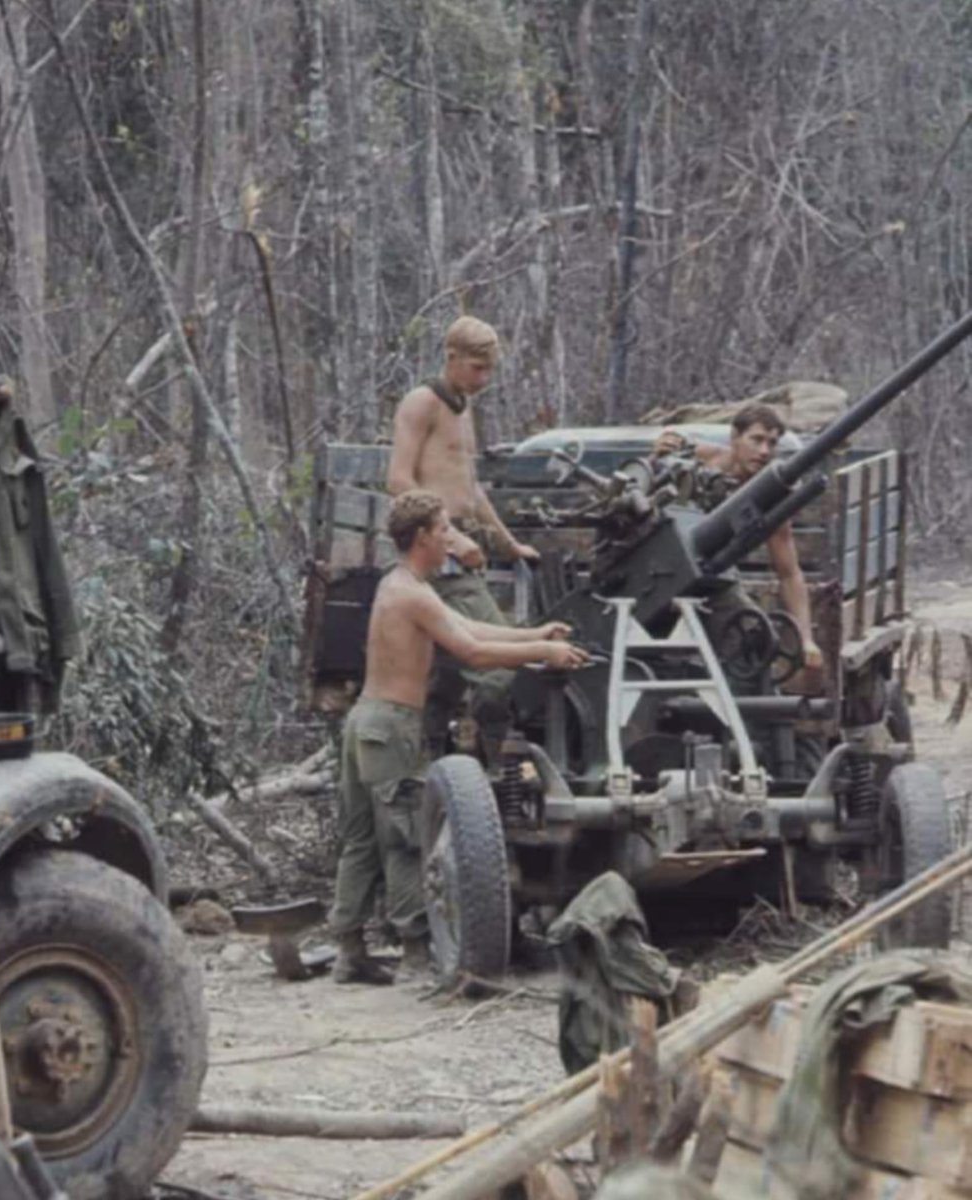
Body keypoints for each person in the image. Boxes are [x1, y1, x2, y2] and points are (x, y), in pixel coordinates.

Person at [331, 490, 590, 985]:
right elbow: (470, 652)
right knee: (404, 836)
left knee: (360, 838)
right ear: (424, 536)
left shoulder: (404, 584)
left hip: (366, 720)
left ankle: (349, 948)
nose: (451, 538)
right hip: (391, 725)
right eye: (444, 528)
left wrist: (536, 636)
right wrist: (543, 653)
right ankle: (413, 951)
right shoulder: (410, 592)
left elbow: (467, 625)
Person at [386, 316, 535, 764]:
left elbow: (471, 491)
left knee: (444, 676)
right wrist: (450, 539)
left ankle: (427, 767)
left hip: (462, 547)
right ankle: (497, 768)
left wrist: (509, 545)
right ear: (451, 357)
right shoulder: (422, 402)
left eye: (489, 370)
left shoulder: (462, 407)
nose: (483, 379)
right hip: (437, 552)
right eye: (475, 368)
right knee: (499, 668)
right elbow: (398, 481)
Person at [653, 403, 822, 669]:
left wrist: (806, 639)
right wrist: (660, 451)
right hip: (659, 571)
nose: (764, 451)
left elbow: (789, 572)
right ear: (734, 437)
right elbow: (649, 479)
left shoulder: (769, 498)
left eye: (771, 443)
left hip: (713, 577)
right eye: (756, 440)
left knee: (752, 634)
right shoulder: (702, 459)